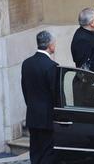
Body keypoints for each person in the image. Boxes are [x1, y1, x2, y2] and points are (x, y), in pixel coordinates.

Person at [21, 30, 58, 164]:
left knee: (35, 150)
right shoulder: (52, 66)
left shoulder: (27, 63)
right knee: (47, 151)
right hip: (47, 116)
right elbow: (55, 94)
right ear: (50, 45)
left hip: (32, 114)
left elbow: (25, 89)